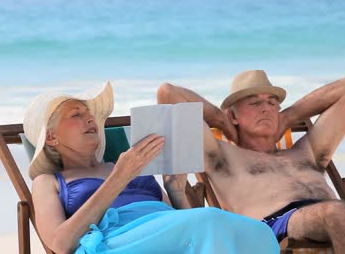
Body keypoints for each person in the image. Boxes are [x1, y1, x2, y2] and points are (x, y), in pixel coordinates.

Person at [157, 70, 345, 254]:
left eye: (272, 103)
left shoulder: (307, 151)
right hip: (276, 226)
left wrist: (287, 118)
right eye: (253, 103)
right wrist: (220, 121)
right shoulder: (221, 157)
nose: (265, 108)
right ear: (233, 115)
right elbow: (168, 94)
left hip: (343, 220)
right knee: (337, 212)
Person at [23, 81, 279, 254]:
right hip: (117, 240)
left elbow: (178, 222)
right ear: (51, 138)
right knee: (209, 218)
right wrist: (119, 178)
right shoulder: (48, 181)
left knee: (258, 232)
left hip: (160, 230)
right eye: (76, 115)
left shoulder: (126, 164)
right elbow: (59, 244)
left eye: (89, 114)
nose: (90, 118)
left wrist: (175, 190)